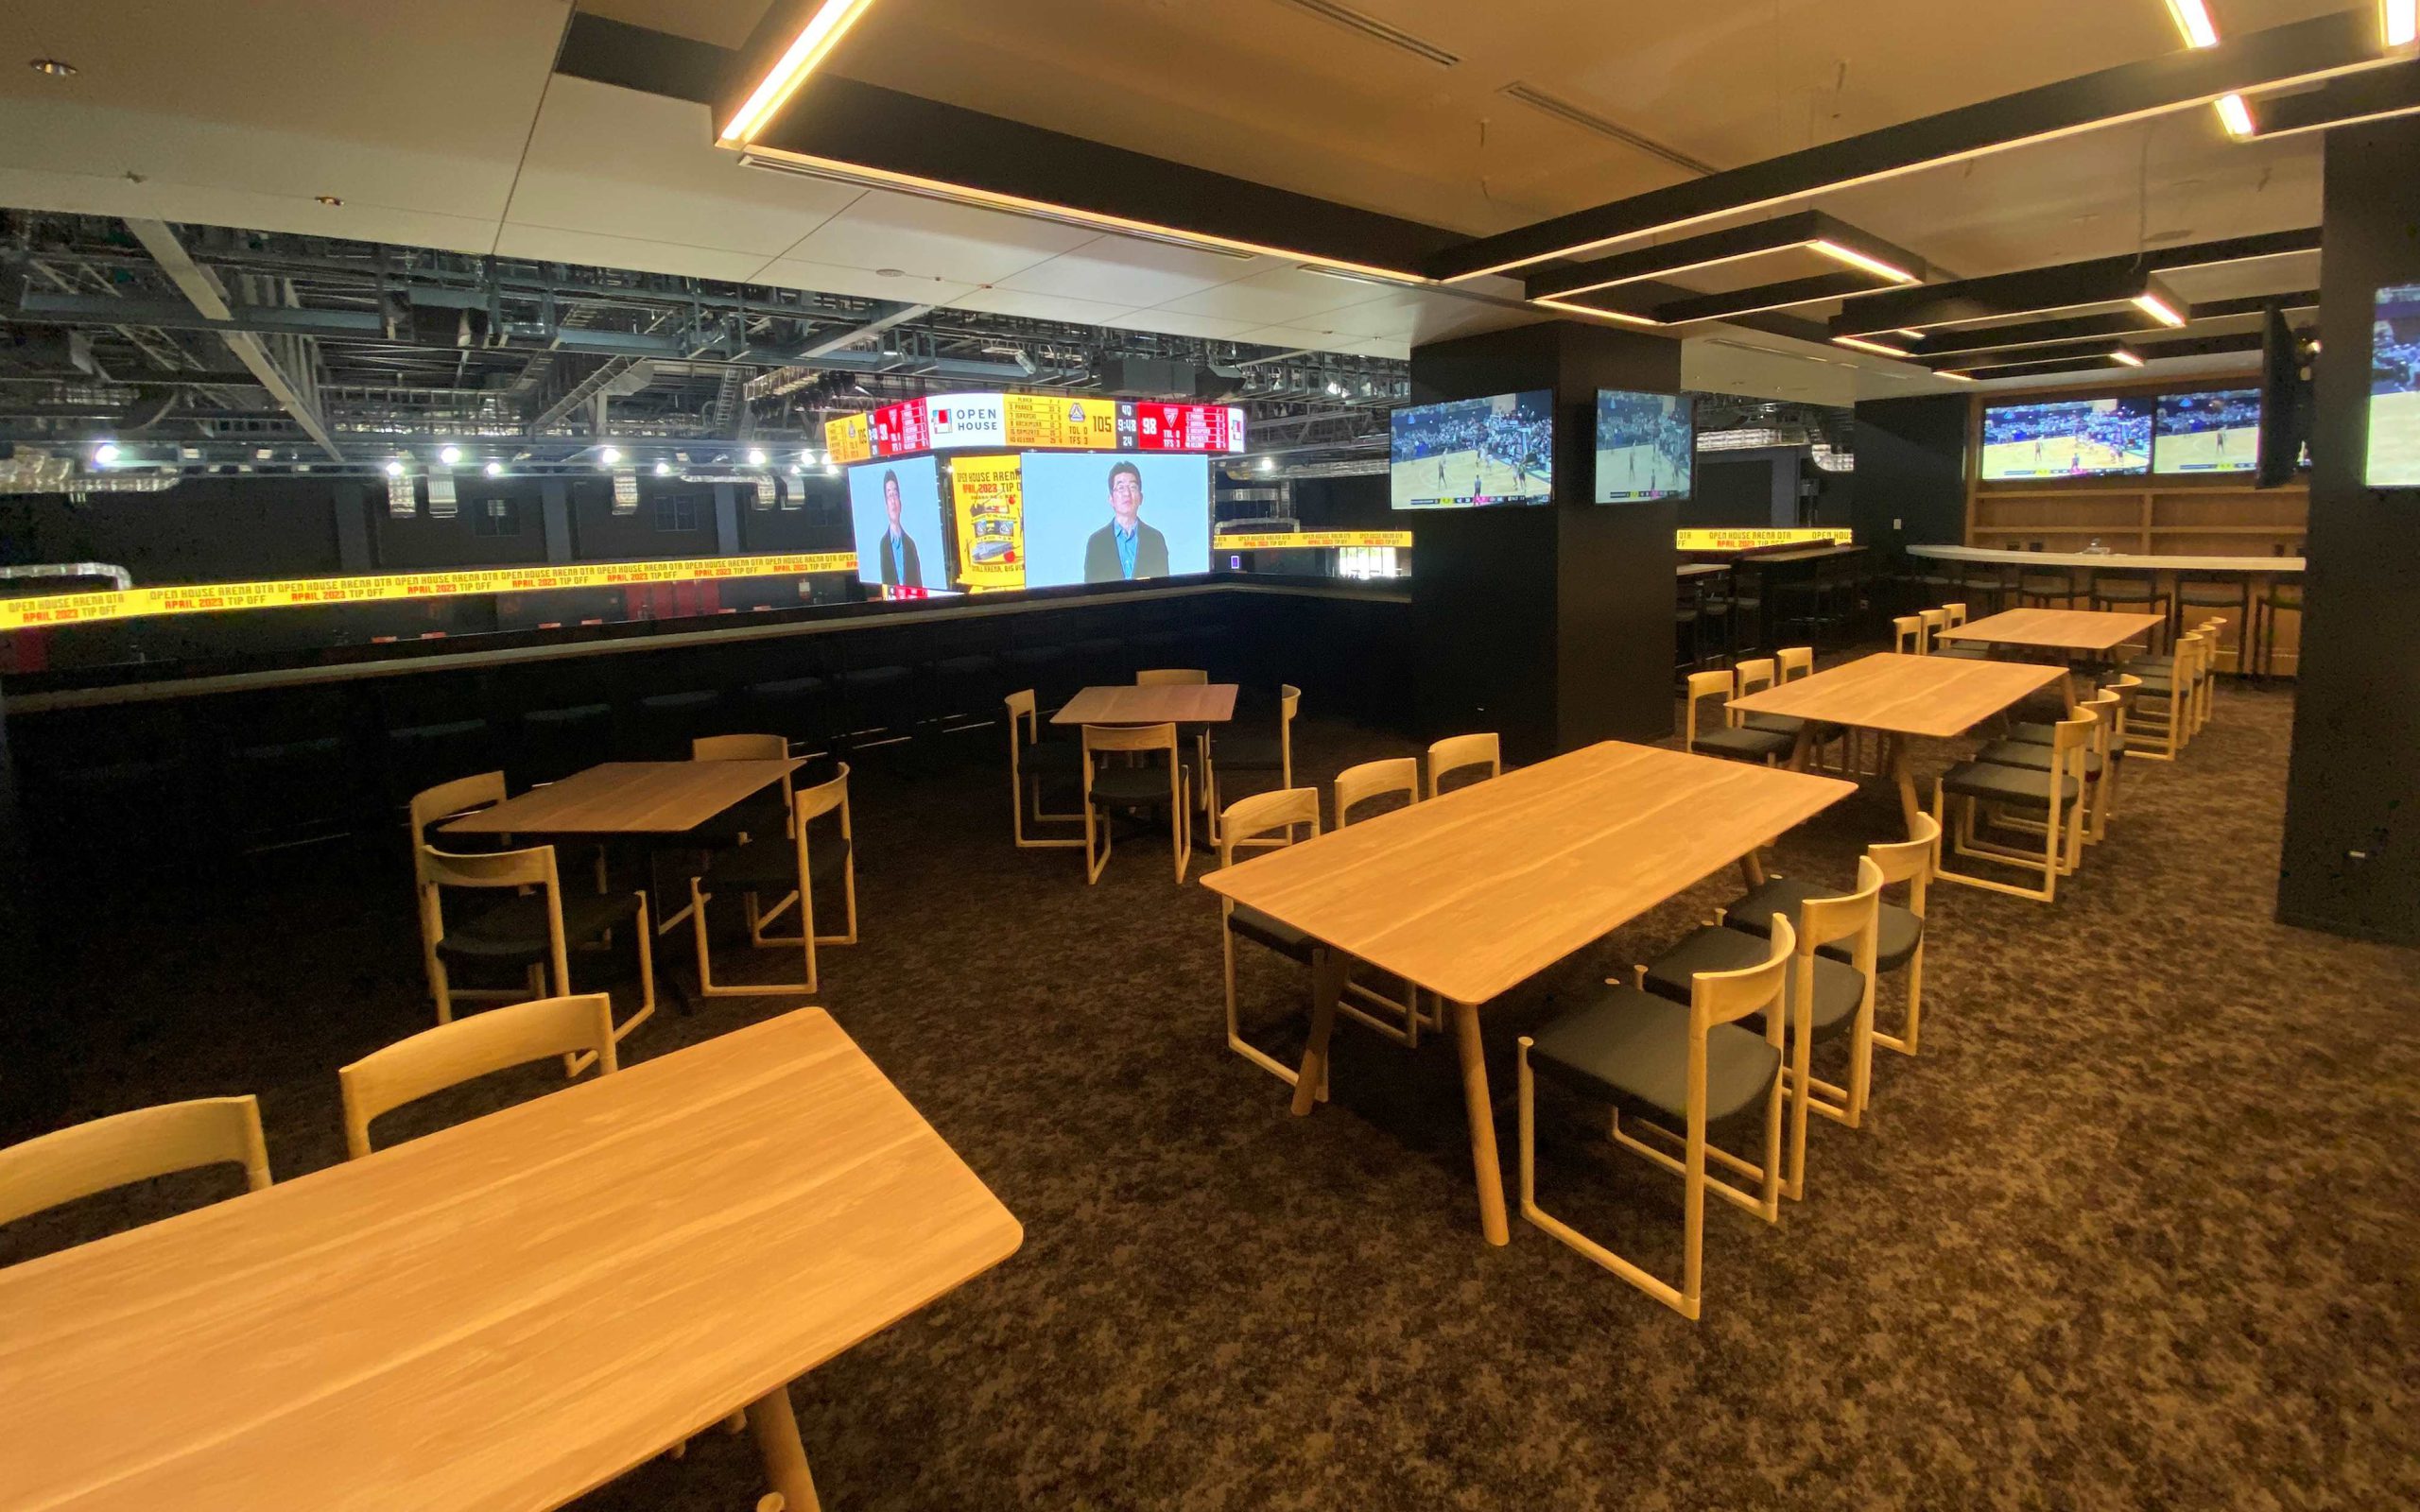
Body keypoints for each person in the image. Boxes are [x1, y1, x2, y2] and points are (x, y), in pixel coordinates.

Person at [1082, 459, 1169, 582]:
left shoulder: (1155, 539)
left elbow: (1163, 587)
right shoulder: (1096, 542)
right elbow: (1091, 589)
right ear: (1111, 499)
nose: (1127, 494)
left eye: (1132, 487)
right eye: (1121, 488)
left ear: (1141, 498)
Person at [875, 469, 922, 589]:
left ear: (900, 502)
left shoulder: (910, 544)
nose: (893, 501)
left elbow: (919, 584)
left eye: (895, 495)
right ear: (886, 504)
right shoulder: (883, 544)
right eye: (889, 495)